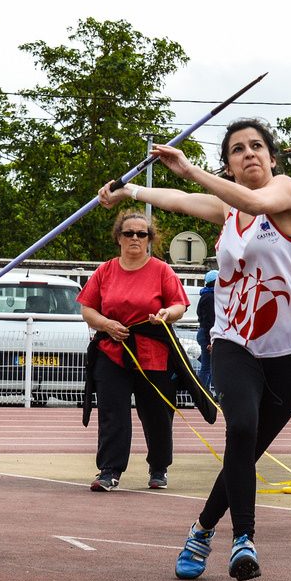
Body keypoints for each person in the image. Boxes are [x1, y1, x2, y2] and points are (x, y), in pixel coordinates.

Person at [99, 118, 291, 581]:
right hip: (234, 341)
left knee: (248, 448)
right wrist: (131, 192)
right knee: (240, 428)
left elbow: (254, 200)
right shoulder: (228, 212)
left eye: (257, 146)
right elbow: (178, 200)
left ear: (273, 158)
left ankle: (201, 529)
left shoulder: (285, 193)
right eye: (238, 150)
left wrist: (190, 169)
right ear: (229, 165)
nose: (249, 154)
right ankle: (244, 539)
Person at [78, 211, 188, 492]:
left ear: (149, 239)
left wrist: (166, 314)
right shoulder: (105, 270)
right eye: (129, 233)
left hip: (152, 353)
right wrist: (106, 324)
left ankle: (159, 467)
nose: (136, 238)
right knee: (113, 411)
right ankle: (110, 470)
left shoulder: (162, 270)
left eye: (142, 233)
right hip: (112, 350)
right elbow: (87, 309)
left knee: (156, 413)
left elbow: (179, 305)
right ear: (119, 238)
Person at [196, 269, 217, 392]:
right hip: (207, 334)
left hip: (204, 333)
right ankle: (202, 394)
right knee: (206, 367)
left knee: (208, 366)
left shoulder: (205, 295)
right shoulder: (210, 297)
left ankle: (204, 393)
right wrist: (210, 341)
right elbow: (209, 320)